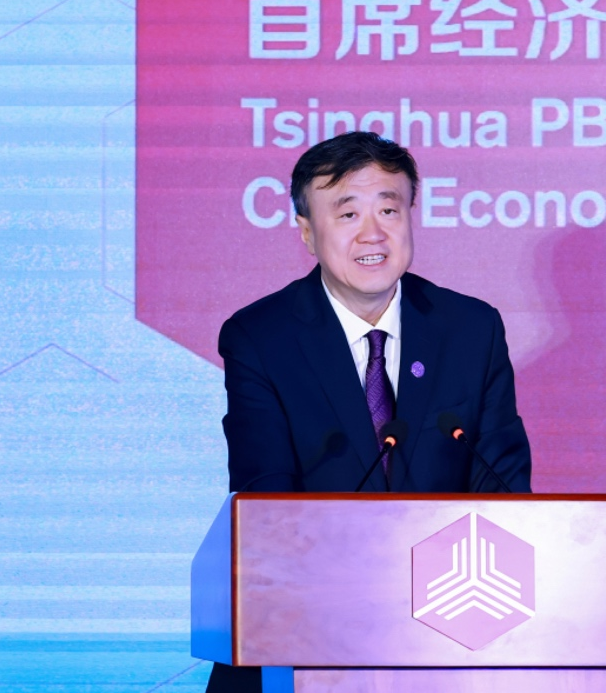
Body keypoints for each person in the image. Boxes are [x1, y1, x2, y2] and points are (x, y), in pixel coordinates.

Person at [206, 131, 532, 693]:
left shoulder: (471, 329)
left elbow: (504, 489)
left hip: (449, 629)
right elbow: (267, 503)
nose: (372, 233)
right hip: (303, 626)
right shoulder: (261, 338)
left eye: (389, 209)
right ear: (307, 232)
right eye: (347, 213)